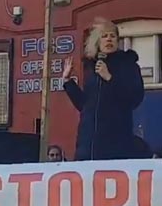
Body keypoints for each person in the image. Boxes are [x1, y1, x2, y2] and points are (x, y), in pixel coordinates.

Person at [62, 18, 144, 160]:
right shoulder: (93, 68)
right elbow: (85, 105)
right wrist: (68, 82)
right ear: (98, 42)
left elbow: (134, 98)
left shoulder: (128, 65)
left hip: (115, 142)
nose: (109, 39)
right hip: (88, 143)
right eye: (104, 36)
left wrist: (110, 78)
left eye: (112, 36)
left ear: (118, 40)